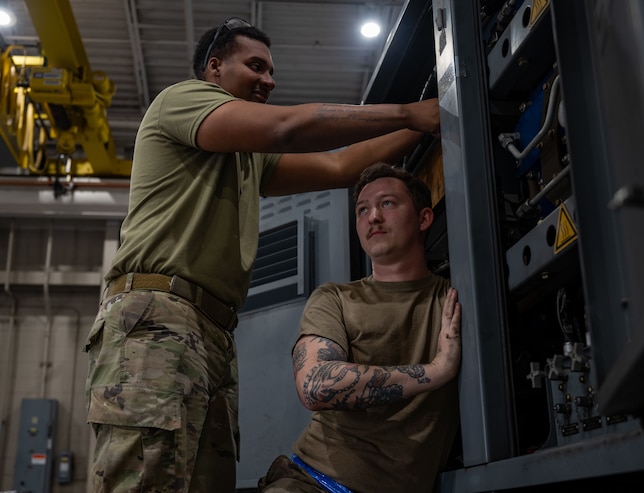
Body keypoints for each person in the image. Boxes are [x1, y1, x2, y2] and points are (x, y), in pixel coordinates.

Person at [83, 17, 441, 493]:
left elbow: (339, 166)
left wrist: (433, 120)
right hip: (156, 320)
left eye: (271, 72)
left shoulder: (246, 156)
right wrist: (407, 112)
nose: (268, 81)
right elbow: (289, 129)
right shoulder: (182, 100)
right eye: (256, 66)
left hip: (211, 331)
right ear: (214, 68)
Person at [258, 162, 462, 493]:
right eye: (362, 210)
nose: (373, 217)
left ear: (424, 218)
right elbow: (315, 384)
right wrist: (436, 371)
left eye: (387, 204)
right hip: (314, 483)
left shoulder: (453, 298)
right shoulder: (335, 299)